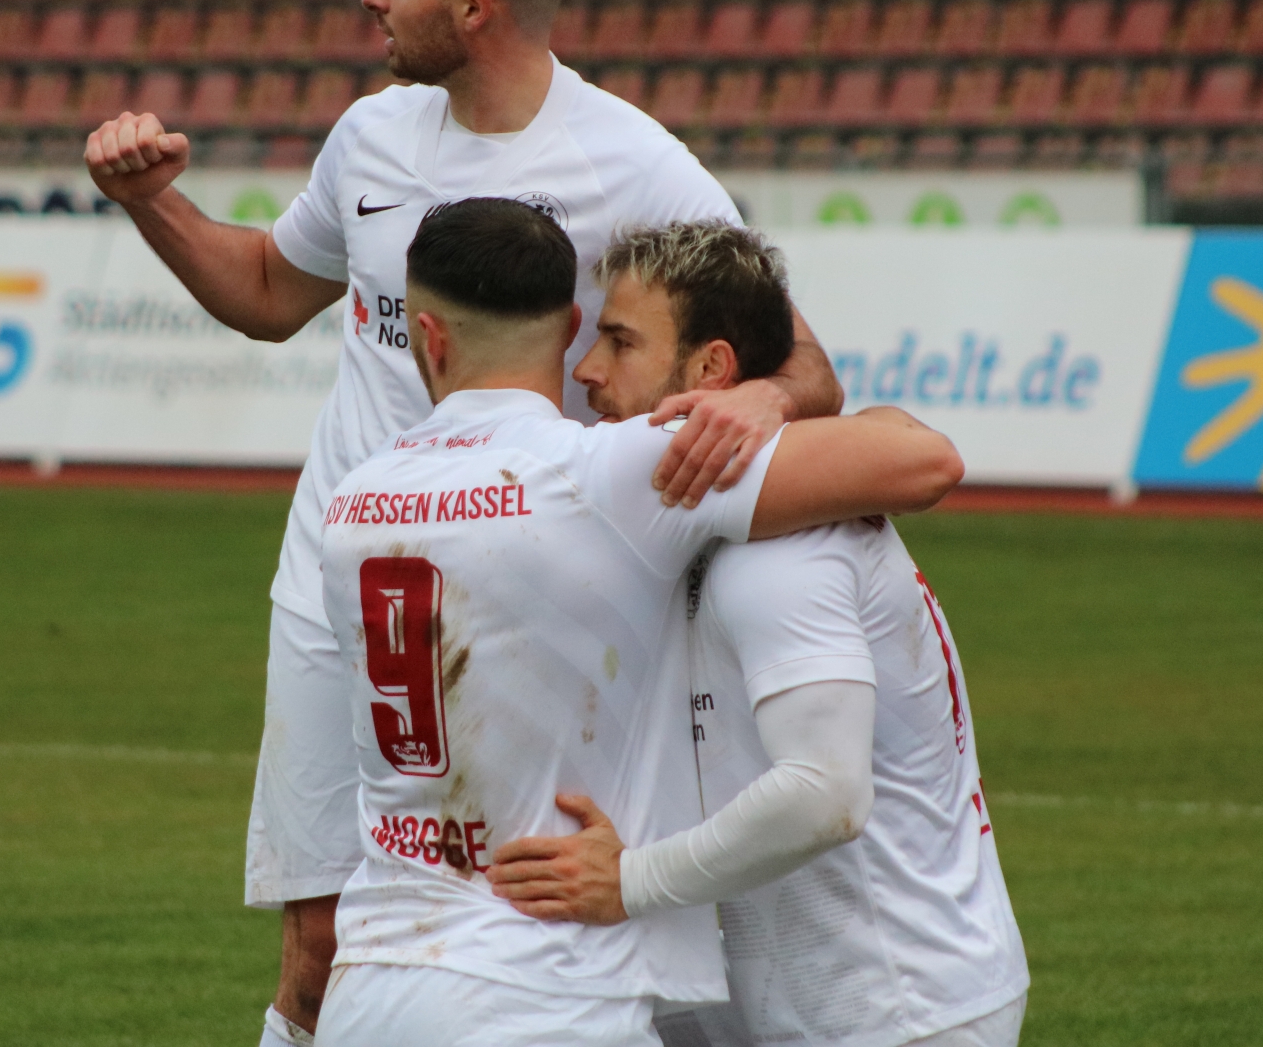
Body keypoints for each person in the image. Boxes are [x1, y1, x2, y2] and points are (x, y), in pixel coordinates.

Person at [85, 0, 844, 1045]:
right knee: (320, 948)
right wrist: (151, 202)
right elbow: (273, 291)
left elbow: (804, 364)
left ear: (474, 5)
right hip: (345, 586)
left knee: (546, 920)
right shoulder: (371, 135)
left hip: (530, 609)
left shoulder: (634, 165)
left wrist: (766, 397)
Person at [311, 199, 961, 1047]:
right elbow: (922, 461)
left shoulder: (352, 499)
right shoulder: (610, 472)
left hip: (371, 977)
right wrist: (769, 399)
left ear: (428, 339)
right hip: (543, 991)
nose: (592, 368)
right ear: (566, 329)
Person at [486, 222, 1031, 1047]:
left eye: (620, 341)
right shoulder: (726, 517)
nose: (586, 370)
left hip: (893, 1010)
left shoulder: (781, 553)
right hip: (819, 1001)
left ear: (711, 370)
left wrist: (627, 881)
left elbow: (825, 795)